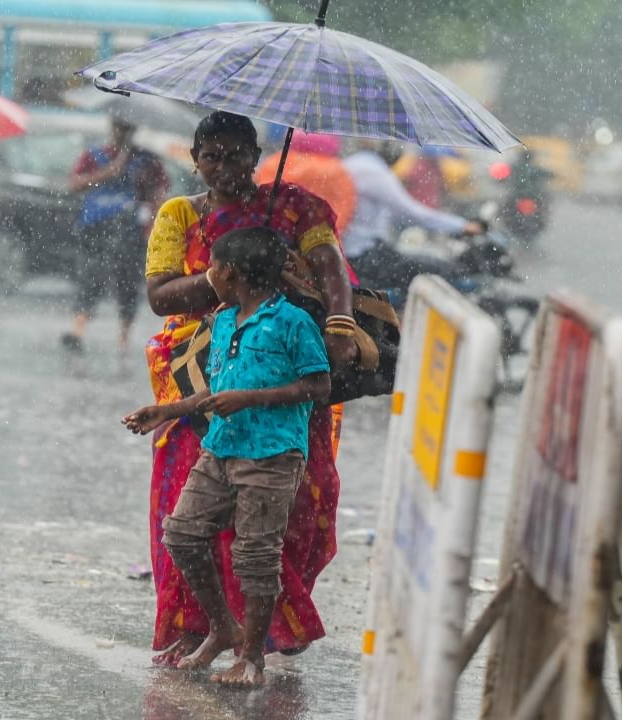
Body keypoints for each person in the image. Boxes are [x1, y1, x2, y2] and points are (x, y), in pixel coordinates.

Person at [141, 111, 357, 666]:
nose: (223, 166)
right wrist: (220, 279)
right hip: (201, 376)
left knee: (281, 515)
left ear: (255, 157)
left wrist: (338, 323)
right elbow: (161, 297)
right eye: (210, 155)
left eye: (235, 154)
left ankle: (263, 633)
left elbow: (331, 265)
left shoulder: (294, 208)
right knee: (190, 517)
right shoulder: (179, 214)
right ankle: (202, 625)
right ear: (194, 160)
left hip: (280, 376)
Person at [124, 227, 331, 686]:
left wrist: (251, 399)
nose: (208, 274)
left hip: (272, 455)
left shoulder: (293, 322)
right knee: (181, 534)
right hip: (219, 448)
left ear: (230, 272)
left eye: (212, 266)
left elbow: (319, 386)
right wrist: (168, 411)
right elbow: (217, 389)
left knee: (256, 554)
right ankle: (223, 626)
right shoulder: (222, 321)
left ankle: (251, 658)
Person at [62, 116, 169, 353]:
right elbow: (75, 184)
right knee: (91, 277)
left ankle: (124, 336)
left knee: (128, 283)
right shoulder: (95, 156)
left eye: (127, 128)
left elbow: (159, 193)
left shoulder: (147, 161)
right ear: (112, 128)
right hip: (96, 229)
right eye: (119, 128)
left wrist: (154, 222)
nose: (122, 133)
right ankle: (78, 328)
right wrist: (109, 172)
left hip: (131, 232)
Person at [341, 141, 484, 287]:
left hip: (354, 251)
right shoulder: (373, 171)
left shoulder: (353, 164)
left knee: (421, 266)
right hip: (363, 253)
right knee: (439, 271)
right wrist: (462, 226)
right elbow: (411, 211)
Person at [254, 130, 357, 235]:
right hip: (321, 238)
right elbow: (345, 207)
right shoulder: (337, 170)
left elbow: (261, 198)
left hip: (275, 234)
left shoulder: (276, 162)